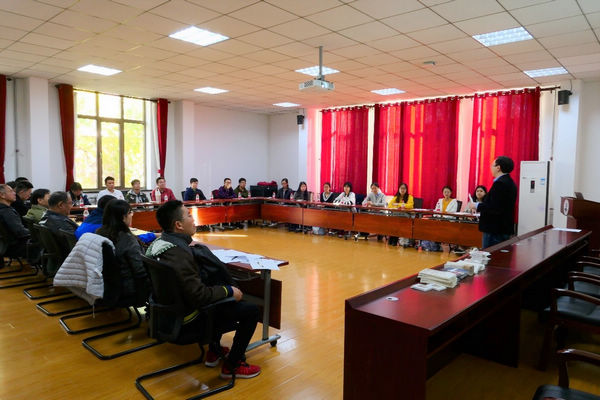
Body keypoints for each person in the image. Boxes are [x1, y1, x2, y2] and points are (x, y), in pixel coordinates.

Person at [146, 201, 261, 379]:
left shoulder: (160, 244)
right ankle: (232, 365)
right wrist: (229, 291)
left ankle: (214, 351)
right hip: (188, 322)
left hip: (165, 316)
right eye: (189, 215)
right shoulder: (179, 255)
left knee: (212, 284)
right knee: (251, 310)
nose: (193, 219)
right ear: (178, 225)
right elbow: (199, 296)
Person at [96, 200, 151, 305]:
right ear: (123, 217)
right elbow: (140, 271)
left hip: (106, 287)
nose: (132, 215)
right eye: (130, 212)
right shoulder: (128, 240)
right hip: (128, 290)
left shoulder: (99, 232)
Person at [468, 156, 517, 248]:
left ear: (498, 168)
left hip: (495, 229)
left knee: (490, 254)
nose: (491, 168)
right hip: (502, 227)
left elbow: (495, 207)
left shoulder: (500, 184)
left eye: (492, 165)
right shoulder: (510, 182)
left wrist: (476, 205)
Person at [0, 184, 30, 258]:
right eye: (11, 191)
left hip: (6, 246)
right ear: (2, 195)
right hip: (14, 247)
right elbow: (20, 232)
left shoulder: (5, 209)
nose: (14, 193)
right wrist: (35, 233)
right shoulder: (6, 212)